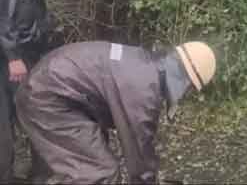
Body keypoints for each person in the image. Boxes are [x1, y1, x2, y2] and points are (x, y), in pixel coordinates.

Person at [15, 40, 216, 184]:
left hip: (54, 91)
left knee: (95, 159)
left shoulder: (144, 65)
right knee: (98, 171)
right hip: (47, 99)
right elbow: (139, 149)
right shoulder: (144, 88)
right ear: (185, 82)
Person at [1, 0, 57, 183]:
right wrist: (13, 57)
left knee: (24, 111)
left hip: (26, 51)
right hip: (15, 55)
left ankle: (34, 173)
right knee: (24, 112)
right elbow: (3, 14)